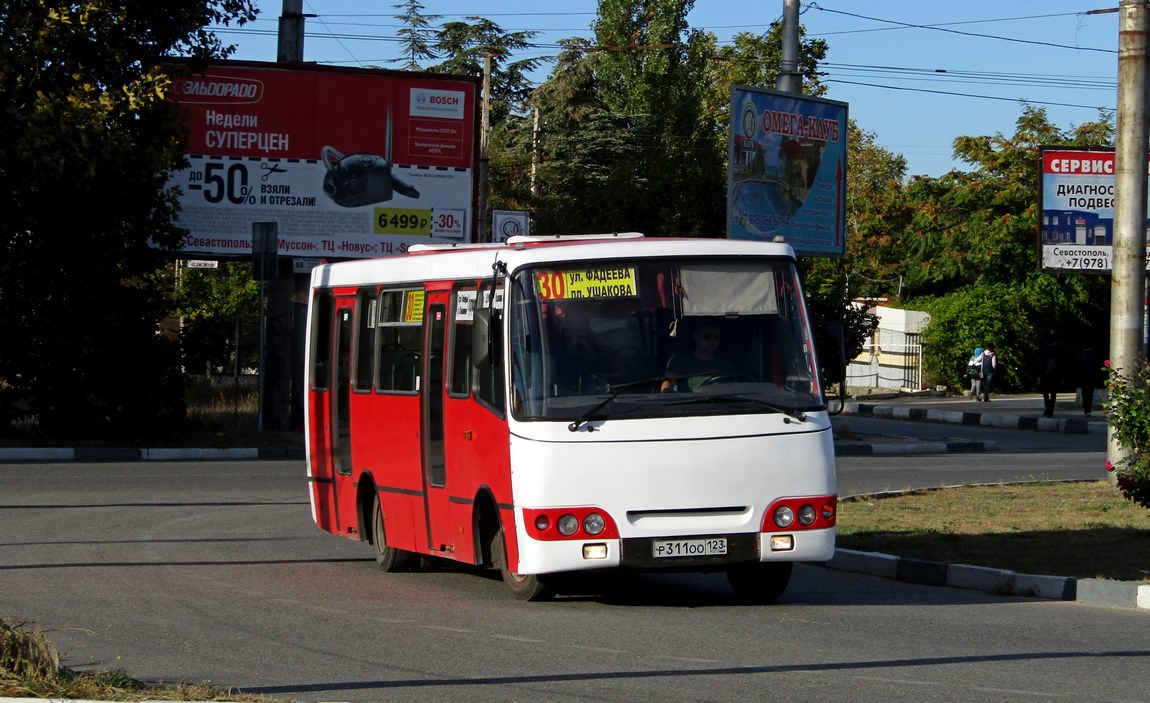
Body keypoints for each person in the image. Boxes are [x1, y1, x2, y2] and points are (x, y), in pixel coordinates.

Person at [660, 322, 736, 392]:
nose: (712, 341)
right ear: (696, 337)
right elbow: (668, 382)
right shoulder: (679, 362)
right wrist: (665, 392)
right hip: (687, 405)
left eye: (716, 337)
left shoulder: (726, 366)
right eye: (707, 336)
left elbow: (733, 390)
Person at [1078, 344, 1103, 417]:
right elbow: (1098, 367)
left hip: (1083, 377)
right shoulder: (1095, 356)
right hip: (1092, 377)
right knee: (1090, 394)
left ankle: (1086, 409)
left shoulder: (1080, 356)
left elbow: (1077, 368)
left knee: (1084, 393)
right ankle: (1088, 409)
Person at [1039, 341, 1059, 417]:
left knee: (1045, 392)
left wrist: (1040, 375)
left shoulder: (1044, 351)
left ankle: (1047, 407)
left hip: (1045, 374)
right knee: (1053, 394)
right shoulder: (1057, 351)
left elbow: (1041, 364)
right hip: (1055, 375)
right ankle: (1051, 409)